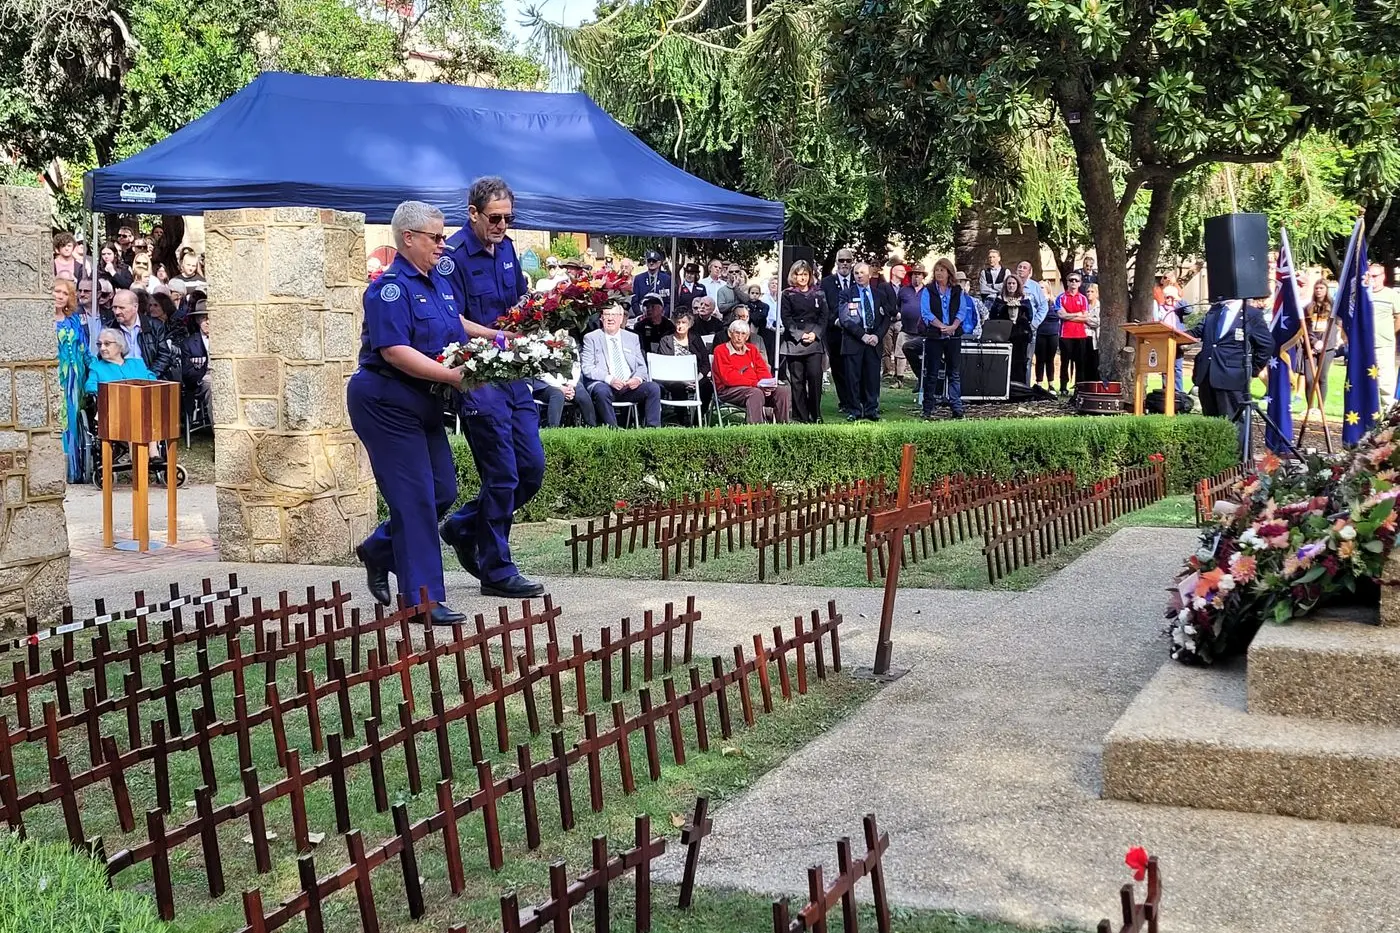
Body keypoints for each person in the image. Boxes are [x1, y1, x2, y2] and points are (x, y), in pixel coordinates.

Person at [347, 201, 468, 623]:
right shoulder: (389, 288)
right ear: (408, 238)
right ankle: (422, 601)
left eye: (443, 236)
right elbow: (395, 352)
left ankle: (379, 549)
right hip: (385, 399)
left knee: (442, 492)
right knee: (415, 499)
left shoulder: (434, 282)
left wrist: (502, 338)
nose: (443, 244)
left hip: (423, 398)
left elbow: (456, 325)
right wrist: (454, 377)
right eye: (435, 237)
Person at [438, 177, 548, 599]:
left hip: (514, 376)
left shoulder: (506, 250)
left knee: (531, 471)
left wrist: (546, 314)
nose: (502, 225)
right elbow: (454, 320)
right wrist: (498, 338)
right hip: (477, 377)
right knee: (501, 474)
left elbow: (518, 304)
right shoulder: (452, 257)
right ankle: (496, 568)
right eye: (495, 218)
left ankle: (464, 527)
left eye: (508, 218)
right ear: (473, 213)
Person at [1188, 299, 1272, 441]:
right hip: (1207, 375)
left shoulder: (1251, 314)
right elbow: (1197, 331)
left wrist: (1253, 370)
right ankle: (1216, 458)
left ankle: (1238, 461)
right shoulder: (1215, 310)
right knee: (1211, 424)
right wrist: (1169, 331)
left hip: (1232, 377)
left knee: (1234, 425)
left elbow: (1266, 345)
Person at [86, 328, 163, 465]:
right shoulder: (97, 367)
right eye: (99, 344)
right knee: (131, 411)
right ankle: (137, 456)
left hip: (143, 410)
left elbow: (152, 380)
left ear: (120, 345)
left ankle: (153, 450)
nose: (102, 348)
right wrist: (113, 389)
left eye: (107, 344)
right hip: (113, 413)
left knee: (151, 406)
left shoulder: (137, 363)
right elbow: (90, 386)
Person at [582, 305, 663, 427]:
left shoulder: (632, 337)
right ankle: (612, 430)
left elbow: (641, 367)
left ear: (621, 318)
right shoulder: (591, 338)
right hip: (605, 385)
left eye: (614, 315)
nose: (610, 319)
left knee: (653, 388)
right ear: (601, 318)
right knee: (601, 391)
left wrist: (637, 379)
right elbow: (587, 368)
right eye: (607, 315)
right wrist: (610, 379)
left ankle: (653, 430)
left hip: (628, 386)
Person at [920, 258, 976, 419]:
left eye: (942, 270)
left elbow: (962, 311)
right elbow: (926, 312)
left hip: (953, 336)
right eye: (937, 270)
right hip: (934, 336)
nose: (939, 273)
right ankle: (928, 409)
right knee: (932, 373)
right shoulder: (928, 290)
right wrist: (941, 326)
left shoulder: (957, 290)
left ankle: (956, 408)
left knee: (954, 373)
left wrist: (952, 327)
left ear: (949, 273)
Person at [837, 262, 891, 421]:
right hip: (854, 341)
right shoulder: (846, 294)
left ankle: (871, 410)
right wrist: (862, 335)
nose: (859, 276)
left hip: (874, 342)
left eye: (862, 273)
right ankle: (854, 410)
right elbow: (845, 318)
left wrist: (877, 336)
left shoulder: (879, 294)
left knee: (872, 377)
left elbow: (886, 317)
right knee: (853, 378)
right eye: (856, 273)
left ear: (869, 275)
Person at [712, 320, 791, 423]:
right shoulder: (721, 350)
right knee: (755, 393)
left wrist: (767, 386)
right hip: (728, 390)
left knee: (782, 391)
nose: (739, 337)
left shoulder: (752, 349)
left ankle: (783, 427)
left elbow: (762, 370)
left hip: (756, 388)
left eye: (743, 334)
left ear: (747, 336)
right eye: (737, 333)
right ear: (730, 334)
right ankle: (756, 430)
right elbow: (729, 378)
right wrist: (756, 384)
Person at [780, 260, 826, 422]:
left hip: (814, 343)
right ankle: (802, 415)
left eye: (805, 274)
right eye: (799, 274)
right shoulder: (787, 294)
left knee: (815, 377)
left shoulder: (819, 293)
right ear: (793, 276)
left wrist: (814, 334)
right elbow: (786, 318)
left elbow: (823, 317)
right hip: (794, 343)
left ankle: (816, 414)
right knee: (797, 381)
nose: (802, 278)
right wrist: (800, 335)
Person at [53, 279, 89, 483]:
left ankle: (74, 471)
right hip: (56, 377)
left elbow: (83, 348)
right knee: (60, 419)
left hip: (75, 379)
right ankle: (58, 468)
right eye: (56, 291)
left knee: (73, 421)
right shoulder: (44, 320)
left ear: (69, 298)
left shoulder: (74, 320)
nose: (59, 295)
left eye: (64, 293)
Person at [110, 288, 177, 382]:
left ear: (135, 307)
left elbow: (164, 356)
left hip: (150, 378)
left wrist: (149, 376)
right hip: (120, 380)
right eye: (114, 307)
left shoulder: (155, 326)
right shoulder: (109, 329)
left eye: (121, 308)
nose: (117, 312)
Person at [655, 310, 713, 415]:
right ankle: (682, 418)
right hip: (673, 378)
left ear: (689, 324)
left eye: (683, 322)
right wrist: (684, 381)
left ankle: (698, 419)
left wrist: (696, 379)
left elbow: (705, 363)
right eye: (678, 322)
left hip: (696, 377)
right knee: (678, 388)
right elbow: (665, 365)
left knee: (708, 387)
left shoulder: (696, 339)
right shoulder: (666, 340)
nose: (680, 326)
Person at [821, 248, 858, 416]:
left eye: (848, 261)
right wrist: (835, 321)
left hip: (855, 333)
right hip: (834, 331)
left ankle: (856, 401)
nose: (844, 264)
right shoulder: (827, 282)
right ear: (836, 262)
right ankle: (844, 401)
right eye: (841, 260)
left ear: (852, 262)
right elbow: (824, 307)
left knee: (854, 367)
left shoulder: (858, 281)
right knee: (838, 368)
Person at [987, 274, 1033, 386]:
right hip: (1003, 335)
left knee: (1020, 361)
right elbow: (992, 316)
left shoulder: (1025, 300)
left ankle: (1019, 386)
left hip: (1020, 335)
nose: (1011, 286)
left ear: (1017, 285)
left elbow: (1030, 316)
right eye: (1009, 283)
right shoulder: (999, 300)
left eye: (1013, 283)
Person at [1302, 279, 1339, 409]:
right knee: (1309, 379)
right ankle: (1310, 407)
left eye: (1321, 288)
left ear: (1326, 290)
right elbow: (1306, 328)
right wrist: (1313, 342)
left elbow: (1332, 328)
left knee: (1322, 378)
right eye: (1317, 288)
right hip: (1311, 347)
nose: (1319, 290)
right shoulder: (1308, 308)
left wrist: (1323, 343)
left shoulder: (1334, 307)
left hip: (1327, 347)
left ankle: (1320, 408)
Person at [530, 358, 597, 428]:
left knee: (582, 394)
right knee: (557, 395)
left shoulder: (570, 347)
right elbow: (540, 372)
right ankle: (552, 431)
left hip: (569, 382)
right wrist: (560, 387)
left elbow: (576, 366)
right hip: (544, 383)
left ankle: (592, 428)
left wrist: (571, 385)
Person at [1370, 262, 1400, 409]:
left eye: (1375, 276)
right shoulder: (1363, 295)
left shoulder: (1391, 295)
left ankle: (1388, 420)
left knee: (1385, 384)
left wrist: (1388, 333)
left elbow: (1398, 318)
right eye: (1369, 276)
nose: (1372, 279)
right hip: (1364, 346)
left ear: (1383, 276)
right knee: (1364, 383)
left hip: (1384, 346)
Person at [1055, 273, 1091, 393]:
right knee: (1064, 362)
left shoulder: (1083, 298)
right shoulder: (1061, 298)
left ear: (1080, 283)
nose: (1074, 282)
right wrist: (1077, 314)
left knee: (1080, 363)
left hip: (1080, 335)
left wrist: (1069, 315)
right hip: (1066, 334)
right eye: (1071, 280)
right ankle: (1063, 387)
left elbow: (1085, 317)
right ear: (1068, 282)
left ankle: (1079, 387)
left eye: (1076, 280)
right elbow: (1061, 315)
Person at [897, 263, 928, 401]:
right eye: (914, 274)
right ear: (911, 276)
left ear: (923, 277)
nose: (916, 276)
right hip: (906, 329)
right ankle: (904, 379)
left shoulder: (928, 291)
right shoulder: (903, 290)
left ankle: (922, 380)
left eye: (919, 274)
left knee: (924, 356)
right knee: (902, 352)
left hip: (922, 332)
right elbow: (898, 306)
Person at [1016, 261, 1049, 385]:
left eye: (1024, 268)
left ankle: (1025, 387)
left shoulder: (1035, 287)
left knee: (1027, 359)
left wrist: (1035, 324)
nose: (1021, 269)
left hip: (1029, 328)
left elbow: (1043, 306)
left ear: (1030, 272)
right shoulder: (1010, 283)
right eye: (1019, 267)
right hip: (1012, 329)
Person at [1152, 284, 1189, 395]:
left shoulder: (1178, 309)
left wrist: (1178, 299)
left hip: (1178, 342)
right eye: (1167, 297)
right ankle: (1166, 391)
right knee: (1165, 368)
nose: (1169, 300)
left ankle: (1178, 393)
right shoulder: (1160, 308)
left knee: (1177, 368)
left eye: (1171, 297)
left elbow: (1189, 309)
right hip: (1163, 341)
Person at [181, 300, 213, 419]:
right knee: (212, 385)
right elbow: (187, 373)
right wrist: (201, 376)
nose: (208, 322)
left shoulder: (226, 340)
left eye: (211, 317)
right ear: (197, 320)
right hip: (201, 381)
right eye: (204, 318)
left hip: (224, 375)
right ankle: (218, 430)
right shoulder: (188, 343)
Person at [630, 250, 671, 316]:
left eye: (654, 261)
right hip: (643, 316)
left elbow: (669, 301)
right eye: (649, 261)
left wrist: (663, 314)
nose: (651, 263)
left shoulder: (666, 279)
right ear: (646, 262)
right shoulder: (639, 278)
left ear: (659, 263)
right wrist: (640, 315)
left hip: (661, 317)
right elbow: (635, 301)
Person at [1082, 282, 1102, 383]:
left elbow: (1097, 322)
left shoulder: (1100, 306)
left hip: (1095, 338)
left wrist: (1084, 318)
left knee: (1094, 362)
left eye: (1092, 291)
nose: (1089, 293)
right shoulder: (1084, 305)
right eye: (1088, 291)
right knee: (1084, 362)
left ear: (1097, 293)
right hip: (1083, 337)